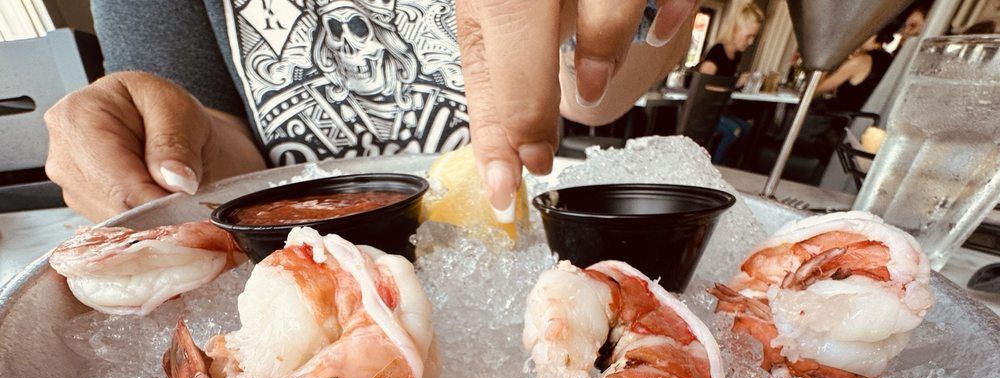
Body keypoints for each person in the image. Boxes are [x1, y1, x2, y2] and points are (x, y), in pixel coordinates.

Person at [44, 0, 697, 223]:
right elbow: (221, 148)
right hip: (298, 249)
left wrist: (602, 38)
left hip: (532, 225)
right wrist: (167, 144)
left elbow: (595, 96)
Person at [695, 2, 763, 165]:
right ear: (735, 29)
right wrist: (734, 83)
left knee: (747, 128)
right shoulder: (717, 52)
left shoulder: (736, 56)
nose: (751, 42)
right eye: (749, 36)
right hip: (705, 111)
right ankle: (715, 167)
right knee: (734, 131)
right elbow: (703, 87)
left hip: (722, 110)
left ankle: (733, 165)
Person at [814, 32, 894, 113]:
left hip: (836, 116)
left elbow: (817, 90)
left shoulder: (860, 61)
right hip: (860, 116)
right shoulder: (887, 58)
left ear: (873, 36)